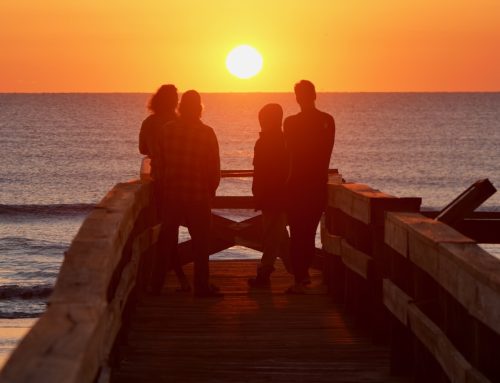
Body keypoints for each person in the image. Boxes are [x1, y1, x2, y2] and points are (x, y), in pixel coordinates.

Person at [153, 90, 222, 298]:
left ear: (180, 107)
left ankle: (155, 286)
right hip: (198, 195)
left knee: (165, 241)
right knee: (201, 243)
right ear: (199, 108)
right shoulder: (207, 133)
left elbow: (159, 164)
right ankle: (201, 287)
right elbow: (214, 169)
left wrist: (163, 189)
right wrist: (210, 192)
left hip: (172, 195)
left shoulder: (167, 130)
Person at [283, 80, 335, 294]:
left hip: (296, 184)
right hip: (316, 184)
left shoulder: (291, 123)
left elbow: (289, 155)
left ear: (297, 97)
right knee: (308, 232)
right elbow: (326, 154)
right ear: (314, 95)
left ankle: (300, 277)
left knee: (297, 232)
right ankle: (303, 275)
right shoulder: (327, 121)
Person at [139, 84, 190, 293]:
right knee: (172, 230)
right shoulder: (179, 122)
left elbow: (142, 148)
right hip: (180, 180)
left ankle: (160, 281)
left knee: (164, 230)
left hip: (159, 181)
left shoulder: (149, 122)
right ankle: (177, 278)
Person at [248, 103, 292, 288]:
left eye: (262, 120)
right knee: (280, 236)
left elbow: (260, 171)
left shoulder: (264, 142)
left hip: (270, 196)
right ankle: (298, 271)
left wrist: (257, 191)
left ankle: (265, 273)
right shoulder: (286, 141)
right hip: (281, 194)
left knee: (272, 235)